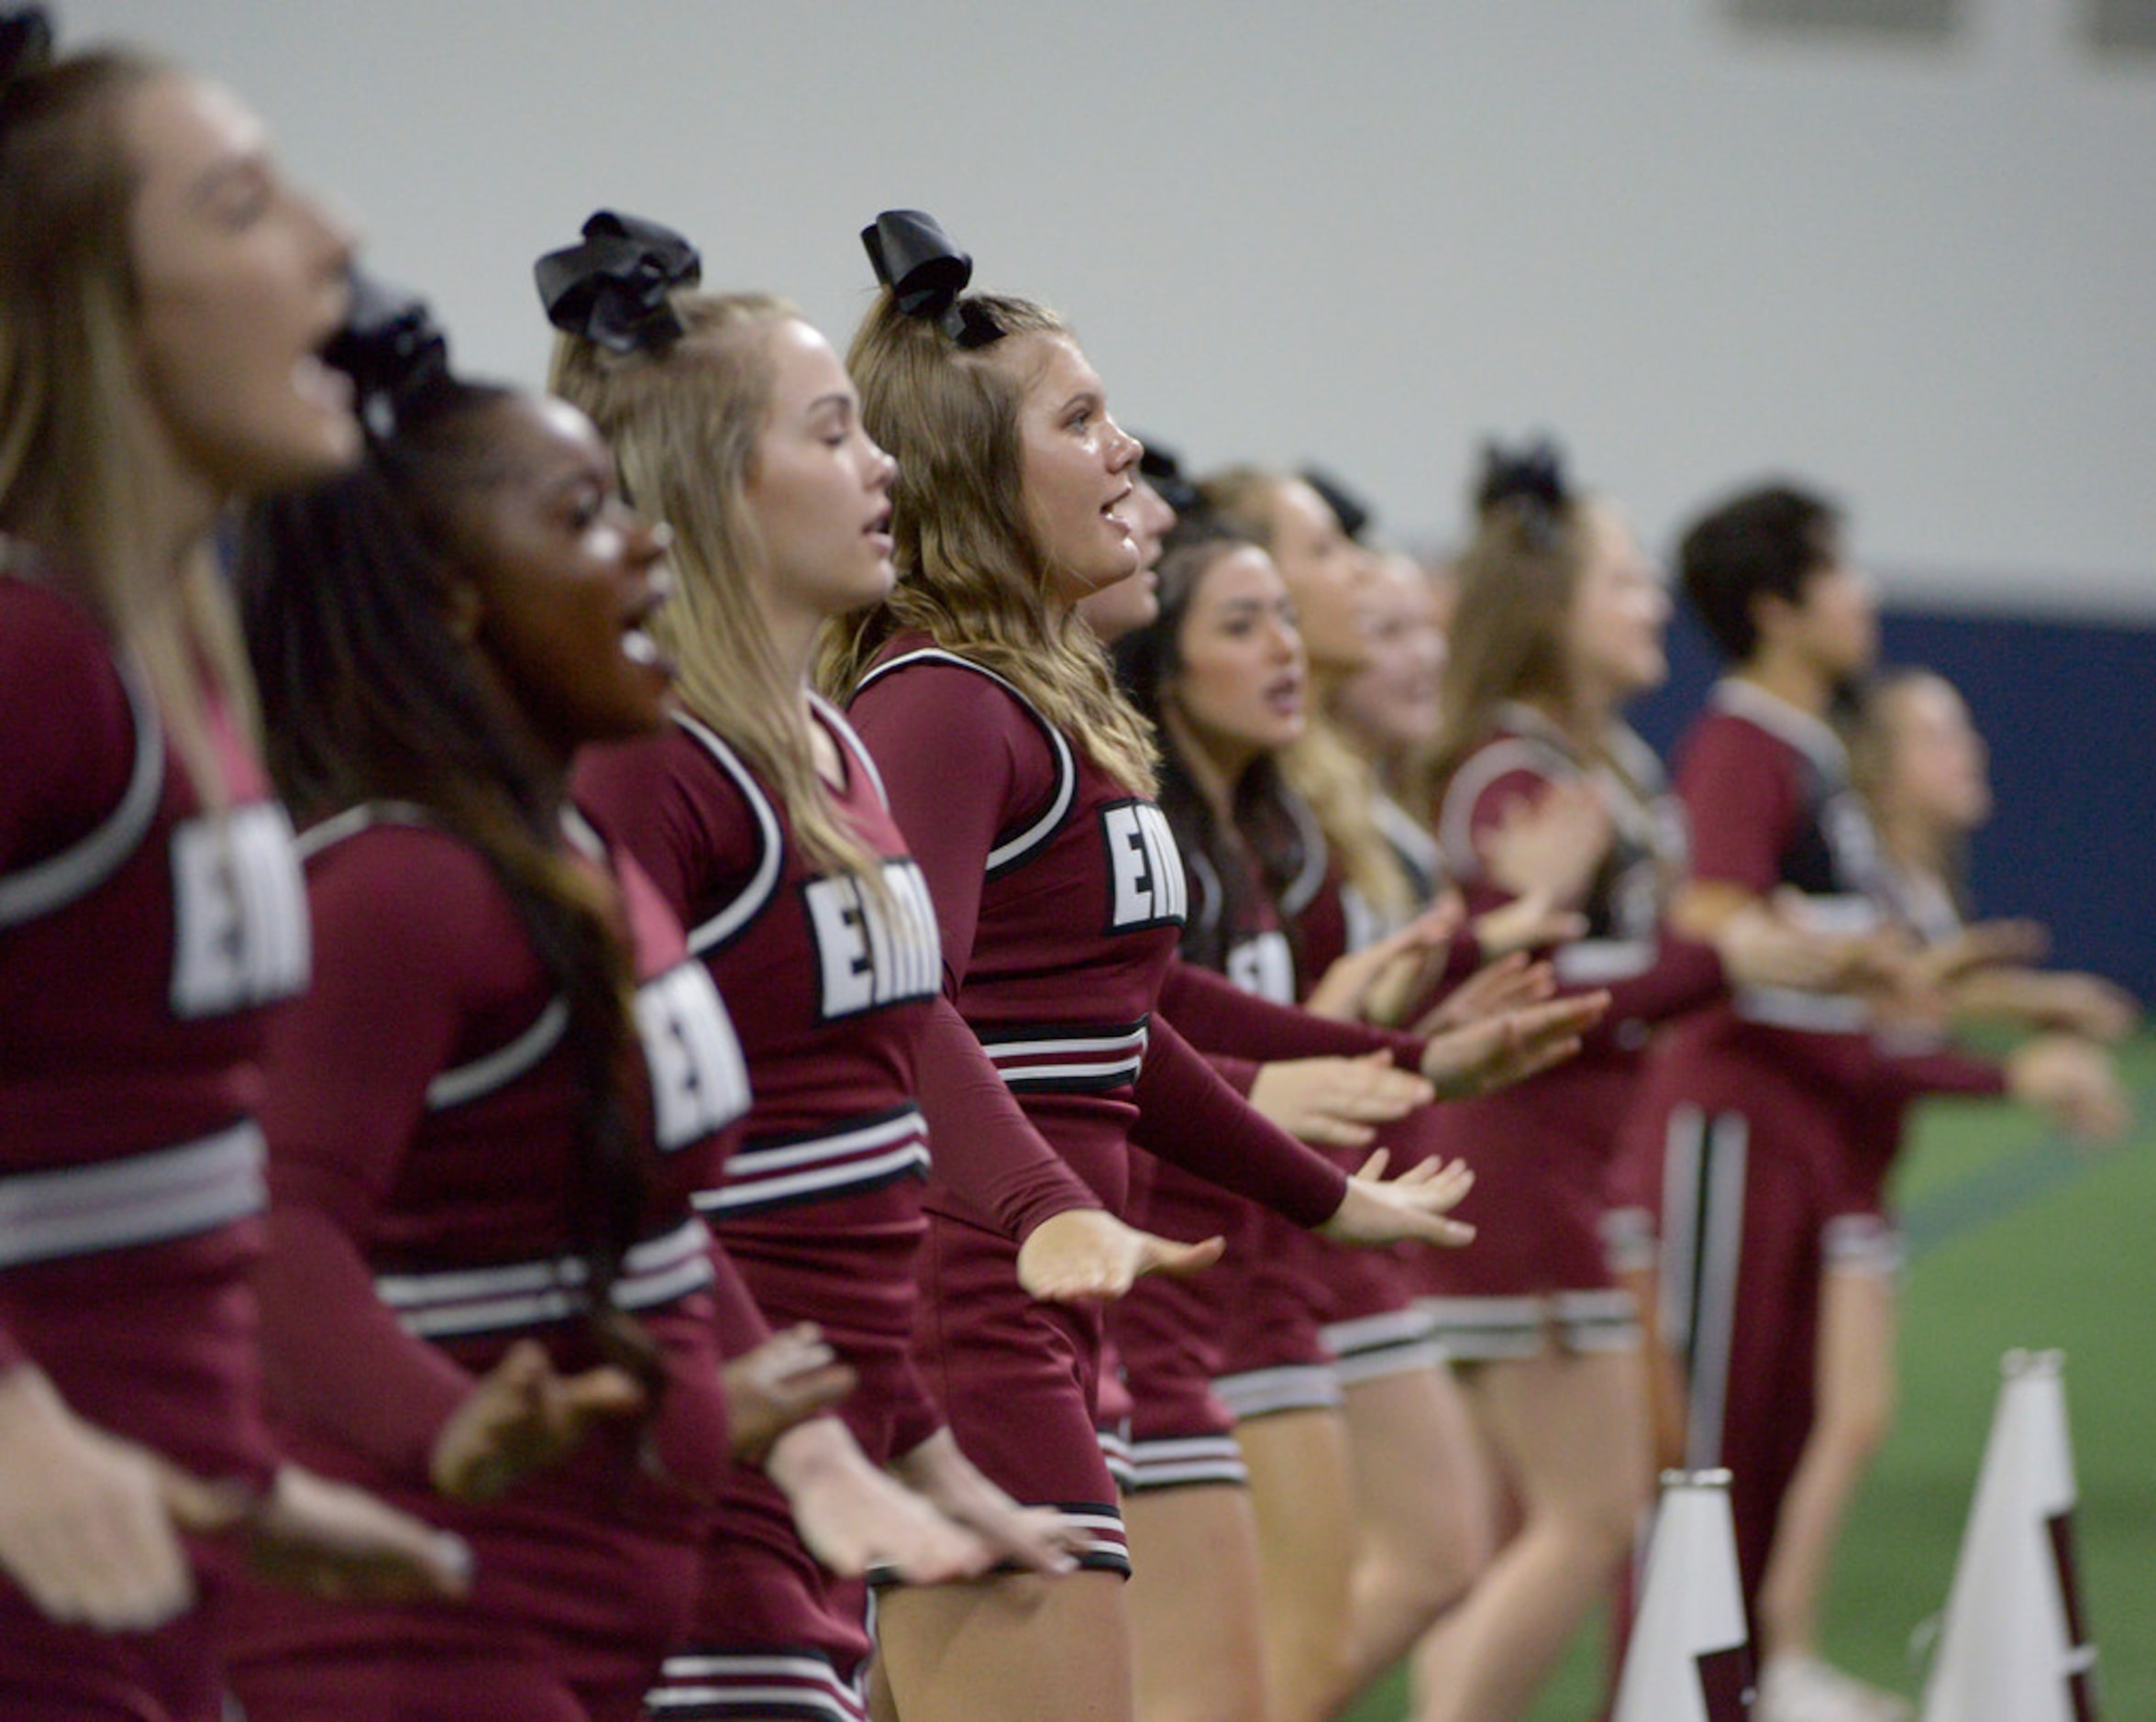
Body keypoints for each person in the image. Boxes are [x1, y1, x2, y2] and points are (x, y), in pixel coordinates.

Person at [221, 300, 985, 1720]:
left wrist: (813, 1426)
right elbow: (275, 1226)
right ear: (453, 601)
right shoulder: (398, 885)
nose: (640, 542)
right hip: (426, 1619)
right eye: (581, 518)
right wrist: (444, 1425)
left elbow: (650, 1217)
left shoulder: (572, 865)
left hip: (601, 1592)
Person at [819, 210, 1508, 1722]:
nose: (1128, 451)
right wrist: (1048, 1205)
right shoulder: (937, 701)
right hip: (973, 1299)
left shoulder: (1030, 703)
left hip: (1054, 1296)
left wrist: (1332, 1178)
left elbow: (1110, 1025)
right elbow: (895, 999)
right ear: (973, 475)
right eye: (1078, 419)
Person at [540, 214, 1085, 1722]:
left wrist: (920, 1456)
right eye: (835, 434)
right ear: (720, 485)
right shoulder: (642, 765)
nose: (885, 469)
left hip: (818, 1473)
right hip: (693, 1471)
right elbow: (614, 1155)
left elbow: (859, 1147)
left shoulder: (830, 742)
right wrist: (811, 1442)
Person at [0, 20, 464, 1717]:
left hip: (144, 1589)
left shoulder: (172, 664)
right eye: (243, 205)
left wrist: (247, 1481)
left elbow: (117, 1178)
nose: (337, 240)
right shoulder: (31, 656)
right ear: (98, 306)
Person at [1609, 480, 2123, 1722]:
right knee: (1707, 1451)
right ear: (1777, 605)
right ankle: (1670, 1689)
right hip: (1730, 1128)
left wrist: (1942, 979)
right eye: (1837, 573)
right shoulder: (1741, 740)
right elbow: (1714, 917)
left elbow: (1827, 958)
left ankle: (1740, 1676)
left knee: (1778, 1434)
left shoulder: (1807, 753)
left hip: (1791, 1135)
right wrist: (1869, 969)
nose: (1864, 595)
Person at [1736, 667, 2131, 1722]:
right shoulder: (1862, 879)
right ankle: (1778, 1653)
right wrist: (2018, 1070)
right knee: (1847, 1415)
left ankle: (1778, 1650)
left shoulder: (1909, 882)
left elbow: (1919, 990)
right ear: (1884, 764)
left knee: (1835, 1414)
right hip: (1817, 1179)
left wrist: (2027, 999)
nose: (1968, 757)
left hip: (1850, 1179)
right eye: (1939, 739)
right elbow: (1874, 1038)